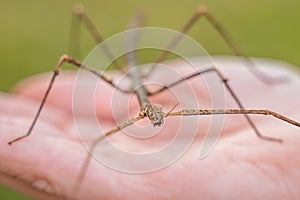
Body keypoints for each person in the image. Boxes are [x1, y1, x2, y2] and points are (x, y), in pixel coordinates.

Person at [1, 57, 300, 200]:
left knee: (264, 110)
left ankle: (261, 130)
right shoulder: (138, 110)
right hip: (136, 87)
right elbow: (95, 144)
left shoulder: (165, 106)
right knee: (67, 60)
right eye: (153, 115)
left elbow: (265, 110)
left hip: (146, 87)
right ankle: (29, 132)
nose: (156, 118)